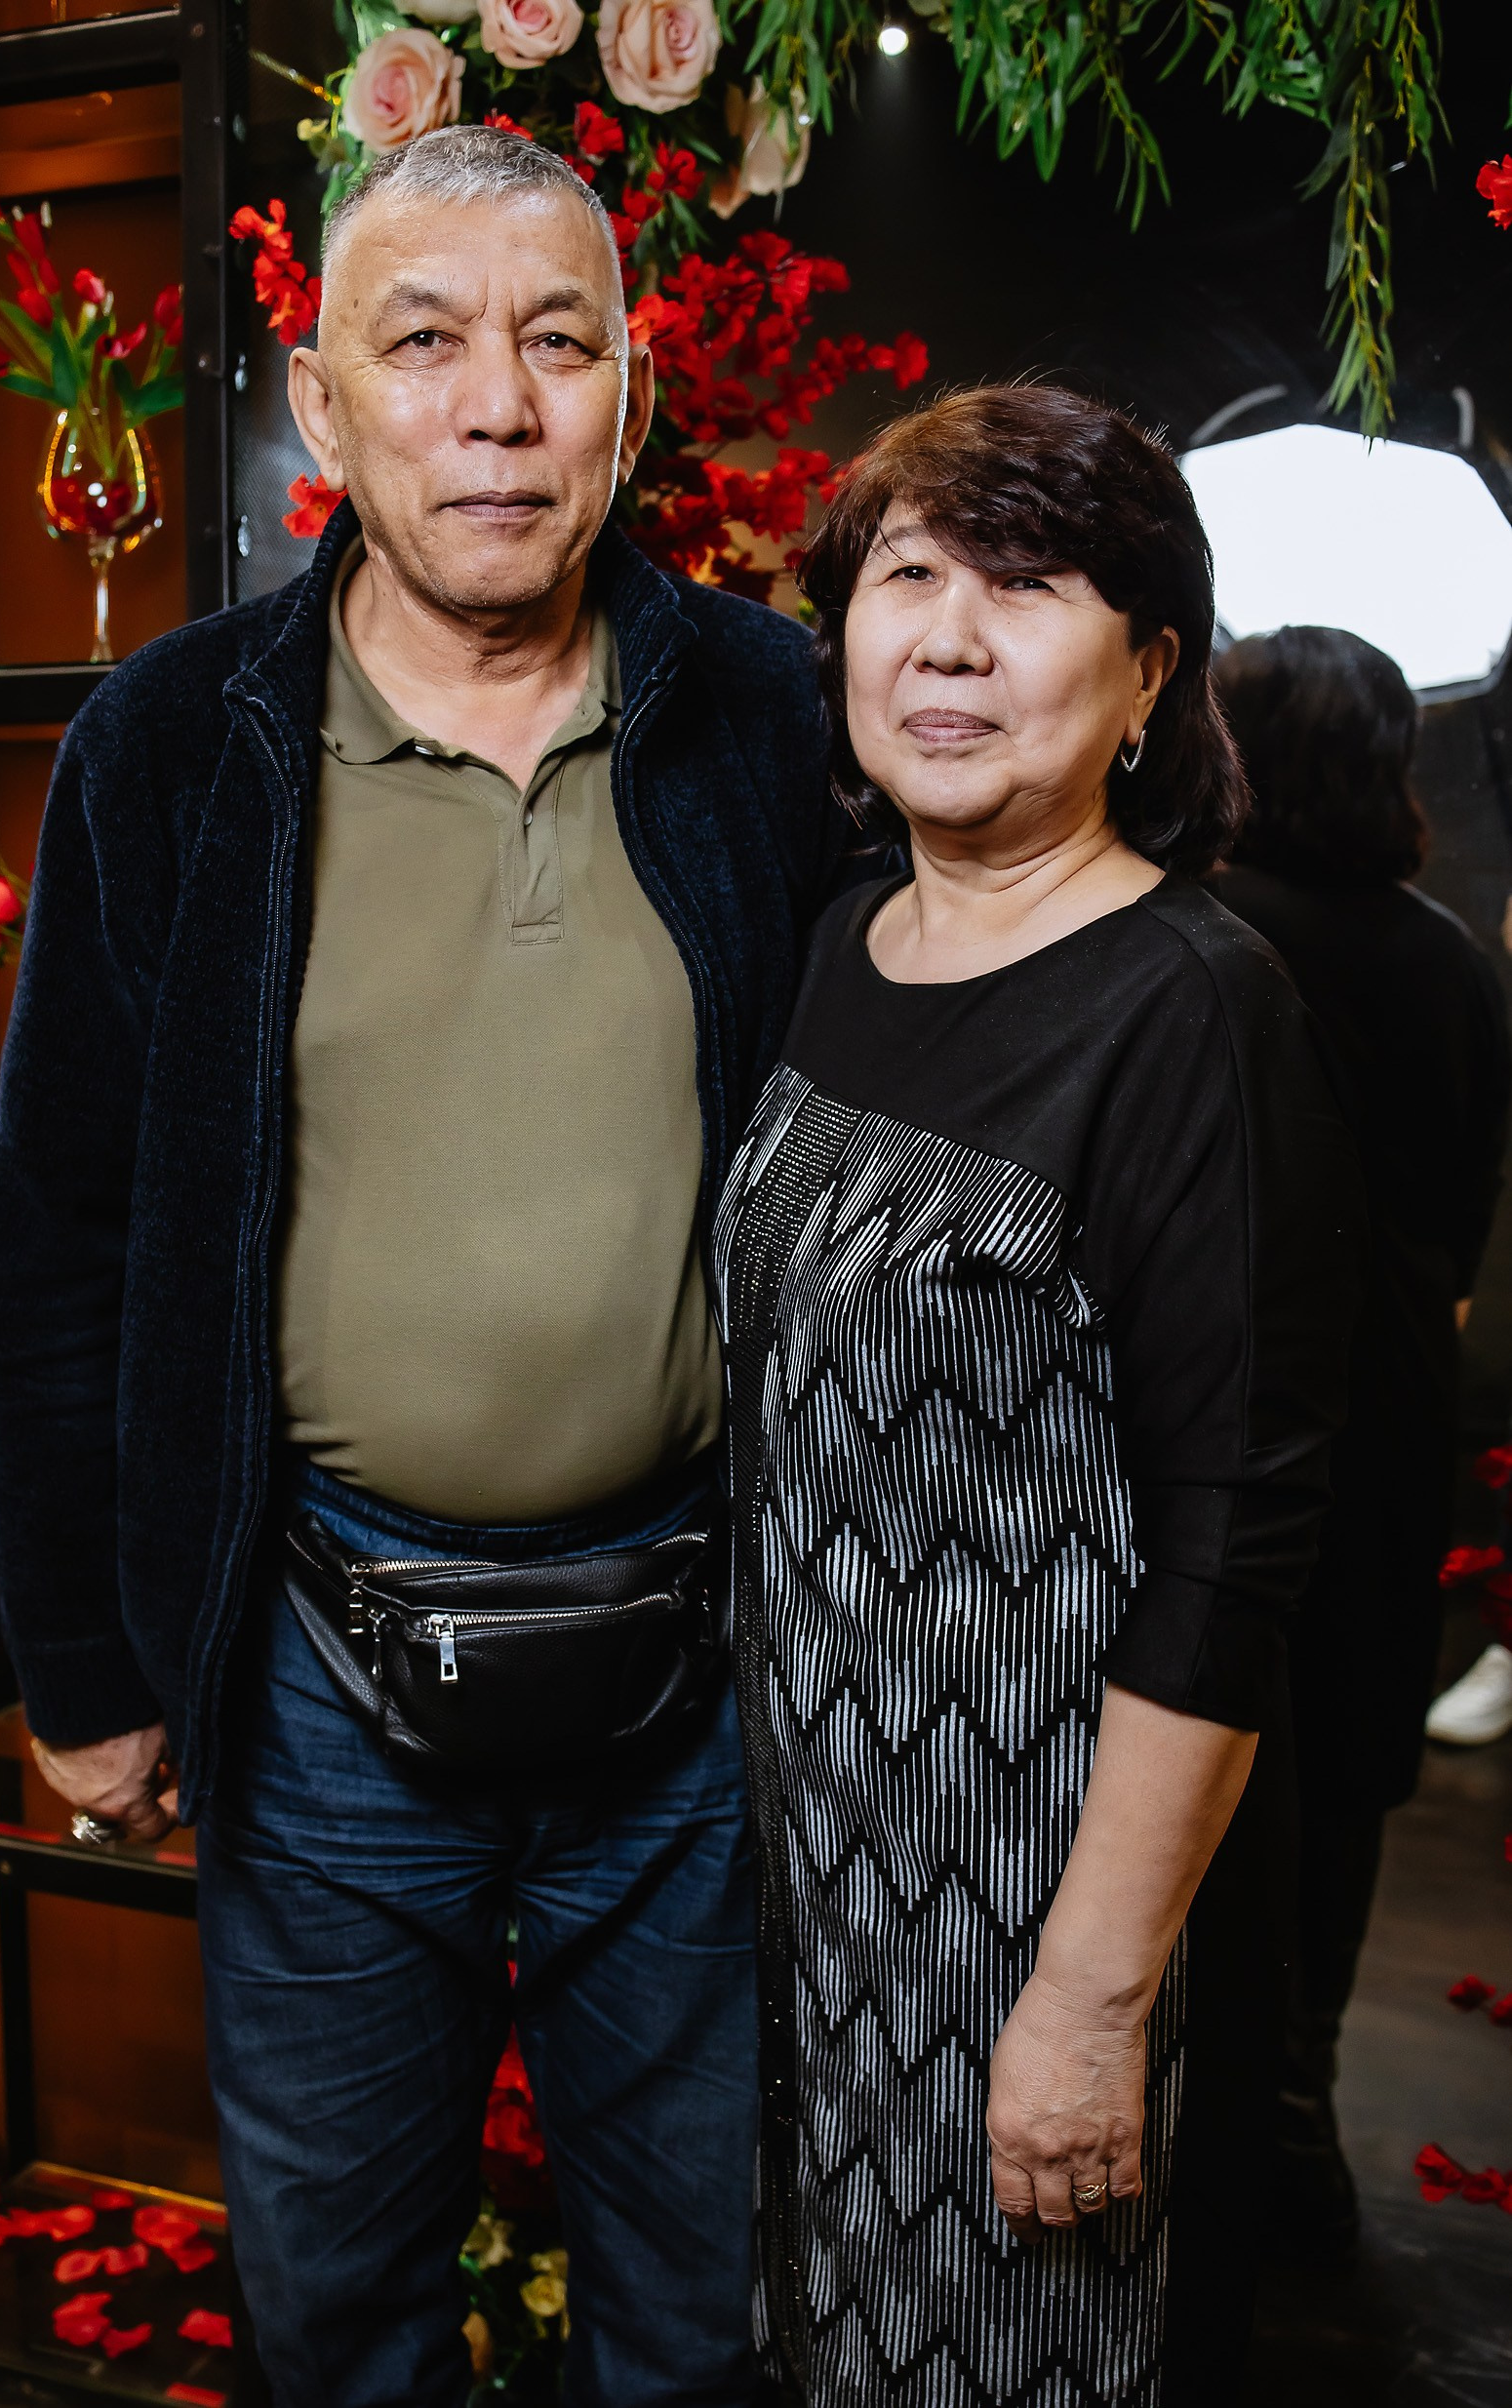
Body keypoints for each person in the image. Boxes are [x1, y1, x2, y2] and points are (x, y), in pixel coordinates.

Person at [0, 125, 862, 2408]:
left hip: (706, 1676)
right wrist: (80, 1653)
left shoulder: (772, 713)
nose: (496, 404)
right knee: (341, 2316)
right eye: (426, 340)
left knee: (707, 2314)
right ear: (321, 401)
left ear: (630, 399)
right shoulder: (177, 746)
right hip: (317, 1673)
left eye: (558, 343)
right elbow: (63, 1231)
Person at [712, 385, 1364, 2406]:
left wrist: (1087, 1999)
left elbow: (1233, 1543)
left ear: (1152, 672)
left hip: (1041, 1901)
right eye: (909, 574)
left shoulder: (1194, 1005)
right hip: (820, 1889)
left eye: (1029, 585)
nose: (951, 638)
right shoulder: (846, 942)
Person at [1208, 625, 1512, 2257]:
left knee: (1211, 1733)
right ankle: (1299, 2111)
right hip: (1390, 1404)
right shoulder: (1451, 957)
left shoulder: (1199, 929)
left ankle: (1198, 2111)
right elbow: (1461, 1216)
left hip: (1227, 1390)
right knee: (1345, 1762)